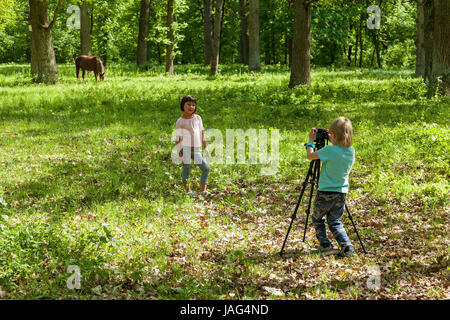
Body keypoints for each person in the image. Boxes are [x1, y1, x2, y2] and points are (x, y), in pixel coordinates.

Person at [305, 117, 356, 258]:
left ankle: (325, 245)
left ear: (333, 135)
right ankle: (347, 248)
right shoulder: (351, 151)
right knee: (334, 221)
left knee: (317, 218)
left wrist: (310, 141)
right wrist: (333, 136)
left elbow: (310, 156)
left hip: (325, 192)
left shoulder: (328, 150)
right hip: (341, 193)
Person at [175, 95, 210, 196]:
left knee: (205, 168)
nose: (191, 107)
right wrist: (179, 152)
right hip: (185, 149)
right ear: (183, 105)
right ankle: (188, 192)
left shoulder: (198, 118)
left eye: (193, 105)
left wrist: (206, 147)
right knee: (186, 170)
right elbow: (178, 139)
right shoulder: (180, 121)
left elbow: (202, 134)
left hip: (196, 149)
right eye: (188, 104)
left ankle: (203, 190)